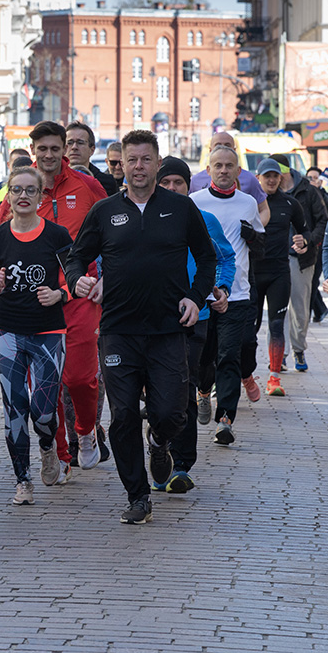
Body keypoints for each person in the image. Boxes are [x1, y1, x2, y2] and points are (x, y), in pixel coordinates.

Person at [67, 129, 216, 524]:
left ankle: (160, 441)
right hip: (118, 329)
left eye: (145, 159)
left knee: (171, 412)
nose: (138, 167)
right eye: (131, 159)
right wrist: (77, 279)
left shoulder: (180, 209)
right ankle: (137, 496)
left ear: (157, 162)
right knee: (123, 416)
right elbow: (76, 257)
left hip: (168, 329)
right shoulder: (104, 212)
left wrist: (195, 298)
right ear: (123, 164)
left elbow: (206, 259)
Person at [0, 121, 107, 478]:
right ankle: (58, 453)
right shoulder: (19, 188)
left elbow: (113, 233)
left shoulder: (87, 186)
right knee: (46, 385)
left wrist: (104, 277)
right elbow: (0, 240)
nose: (48, 155)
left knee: (78, 378)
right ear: (33, 150)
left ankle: (86, 431)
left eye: (54, 149)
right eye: (41, 149)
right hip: (33, 301)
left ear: (65, 150)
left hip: (78, 294)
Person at [0, 166, 71, 504]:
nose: (23, 196)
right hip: (7, 332)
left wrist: (59, 294)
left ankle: (48, 445)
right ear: (8, 196)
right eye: (17, 190)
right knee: (15, 407)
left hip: (48, 332)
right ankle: (22, 481)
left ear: (42, 197)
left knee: (42, 412)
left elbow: (76, 279)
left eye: (31, 190)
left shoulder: (57, 236)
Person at [156, 157, 235, 493]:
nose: (173, 189)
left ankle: (181, 464)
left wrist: (222, 287)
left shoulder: (204, 220)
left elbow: (224, 257)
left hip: (195, 317)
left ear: (189, 186)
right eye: (167, 183)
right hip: (148, 318)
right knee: (156, 396)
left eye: (179, 183)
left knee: (183, 389)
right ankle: (158, 446)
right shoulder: (143, 220)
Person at [190, 145, 264, 446]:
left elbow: (260, 244)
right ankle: (204, 392)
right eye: (217, 165)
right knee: (205, 357)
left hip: (237, 294)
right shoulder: (194, 202)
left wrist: (252, 236)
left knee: (229, 356)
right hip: (203, 295)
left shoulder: (248, 202)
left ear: (238, 171)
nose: (223, 170)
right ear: (208, 170)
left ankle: (226, 419)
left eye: (229, 165)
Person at [237, 159, 308, 398]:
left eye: (275, 176)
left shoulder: (290, 203)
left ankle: (274, 378)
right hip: (253, 273)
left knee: (277, 325)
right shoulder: (249, 203)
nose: (271, 180)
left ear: (281, 178)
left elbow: (304, 229)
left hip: (279, 272)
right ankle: (242, 375)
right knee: (249, 329)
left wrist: (303, 241)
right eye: (266, 176)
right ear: (258, 178)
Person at [271, 156, 328, 373]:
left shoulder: (307, 190)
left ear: (284, 172)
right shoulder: (265, 194)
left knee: (300, 308)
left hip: (301, 259)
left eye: (275, 174)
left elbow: (323, 219)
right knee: (277, 309)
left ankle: (298, 349)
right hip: (274, 258)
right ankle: (279, 355)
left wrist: (308, 240)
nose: (272, 179)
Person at [189, 131, 270, 226]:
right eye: (218, 145)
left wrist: (253, 229)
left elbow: (264, 209)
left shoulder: (250, 179)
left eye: (227, 145)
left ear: (235, 150)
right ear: (210, 150)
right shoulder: (196, 181)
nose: (223, 171)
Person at [306, 167, 328, 322]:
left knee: (313, 280)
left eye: (315, 178)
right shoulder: (304, 195)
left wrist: (318, 192)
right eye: (309, 178)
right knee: (307, 283)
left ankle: (315, 311)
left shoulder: (325, 196)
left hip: (320, 245)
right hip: (306, 244)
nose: (312, 181)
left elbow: (326, 213)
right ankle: (320, 309)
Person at [65, 122, 118, 195]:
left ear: (92, 150)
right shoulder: (53, 179)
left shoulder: (106, 182)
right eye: (70, 142)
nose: (74, 147)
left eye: (80, 143)